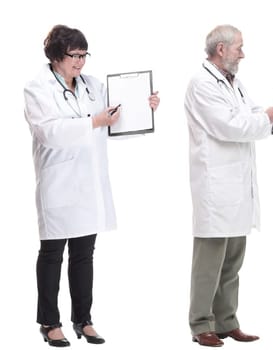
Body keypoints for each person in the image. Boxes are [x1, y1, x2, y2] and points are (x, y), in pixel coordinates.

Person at [23, 24, 160, 347]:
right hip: (58, 183)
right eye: (74, 55)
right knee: (53, 254)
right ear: (57, 56)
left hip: (89, 184)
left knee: (84, 255)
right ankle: (49, 322)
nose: (81, 62)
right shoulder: (37, 88)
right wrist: (93, 122)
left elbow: (117, 119)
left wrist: (146, 106)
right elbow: (48, 133)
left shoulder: (93, 85)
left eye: (84, 55)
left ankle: (83, 320)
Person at [184, 24, 273, 347]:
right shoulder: (202, 84)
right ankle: (201, 323)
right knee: (209, 262)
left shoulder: (234, 82)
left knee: (232, 261)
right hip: (216, 186)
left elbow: (254, 114)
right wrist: (268, 118)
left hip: (237, 186)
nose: (242, 54)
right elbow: (229, 126)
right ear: (221, 49)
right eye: (239, 48)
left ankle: (226, 321)